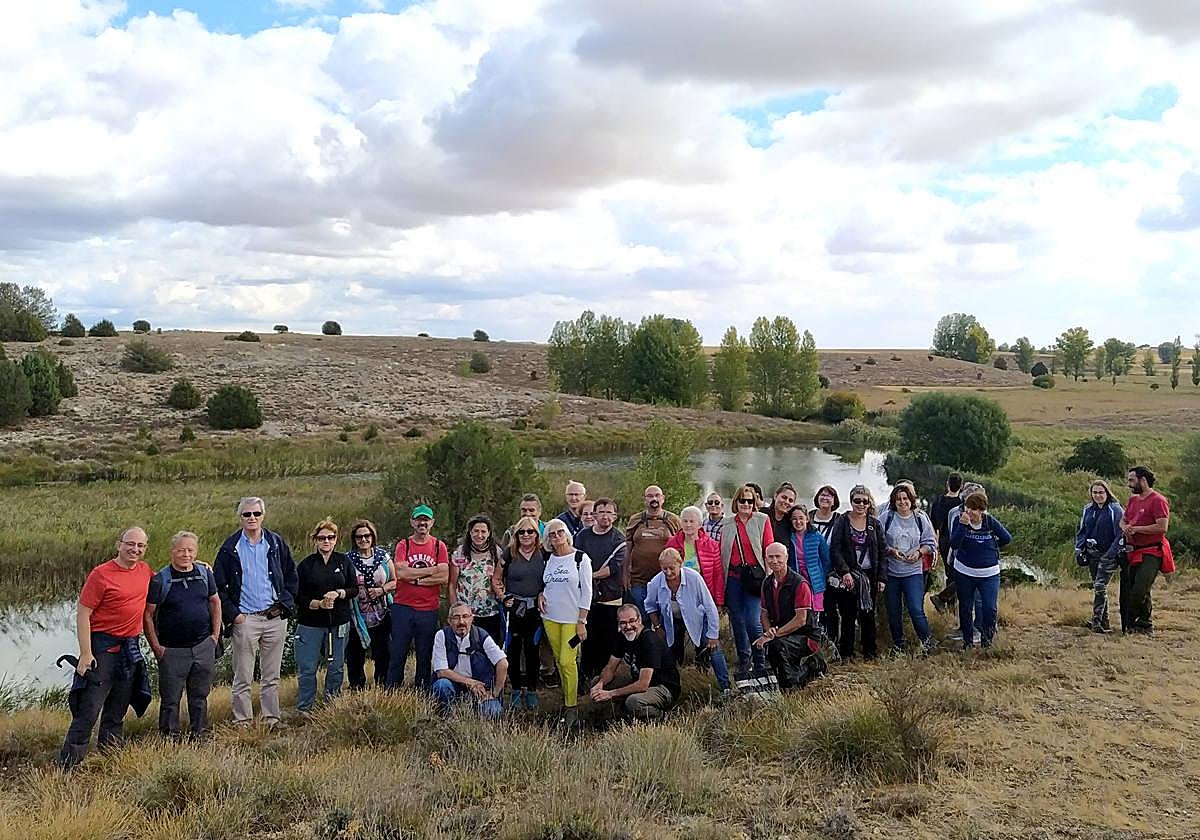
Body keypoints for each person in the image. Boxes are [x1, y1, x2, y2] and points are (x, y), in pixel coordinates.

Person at [59, 527, 154, 767]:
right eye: (130, 544)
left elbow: (170, 577)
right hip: (103, 650)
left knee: (118, 709)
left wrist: (200, 565)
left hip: (130, 649)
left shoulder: (144, 571)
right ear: (118, 544)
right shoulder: (101, 574)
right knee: (89, 710)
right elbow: (83, 614)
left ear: (145, 549)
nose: (135, 549)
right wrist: (86, 653)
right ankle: (69, 765)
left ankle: (110, 758)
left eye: (140, 546)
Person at [214, 497, 298, 728]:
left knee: (271, 675)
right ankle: (243, 721)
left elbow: (292, 575)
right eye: (247, 514)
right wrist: (234, 615)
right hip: (245, 619)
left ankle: (272, 718)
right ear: (240, 517)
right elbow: (218, 586)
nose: (252, 518)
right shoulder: (230, 548)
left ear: (263, 516)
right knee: (243, 675)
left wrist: (285, 606)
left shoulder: (276, 543)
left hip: (274, 616)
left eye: (256, 514)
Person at [143, 531, 220, 739]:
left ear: (196, 552)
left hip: (203, 646)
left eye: (190, 550)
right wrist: (157, 648)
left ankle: (200, 733)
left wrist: (215, 635)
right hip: (172, 650)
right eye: (181, 550)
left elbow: (215, 601)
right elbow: (148, 615)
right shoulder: (161, 580)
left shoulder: (204, 574)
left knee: (200, 696)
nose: (186, 554)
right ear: (172, 552)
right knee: (170, 699)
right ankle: (169, 737)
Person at [644, 548, 731, 697]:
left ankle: (726, 686)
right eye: (664, 569)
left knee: (713, 647)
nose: (668, 572)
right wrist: (658, 626)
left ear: (681, 564)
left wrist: (713, 634)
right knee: (667, 651)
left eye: (672, 568)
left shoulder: (694, 578)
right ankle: (669, 687)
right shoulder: (656, 582)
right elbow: (650, 605)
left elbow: (710, 606)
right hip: (673, 619)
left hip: (698, 617)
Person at [295, 519, 357, 714]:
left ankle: (332, 706)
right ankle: (305, 708)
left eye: (330, 537)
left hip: (338, 621)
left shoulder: (343, 561)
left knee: (336, 666)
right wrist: (317, 604)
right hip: (310, 622)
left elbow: (354, 588)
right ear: (315, 540)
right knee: (307, 668)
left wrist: (339, 593)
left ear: (336, 539)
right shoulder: (306, 565)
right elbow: (297, 595)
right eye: (322, 538)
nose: (326, 541)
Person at [385, 504, 449, 689]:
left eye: (426, 520)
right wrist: (433, 570)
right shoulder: (403, 545)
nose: (422, 523)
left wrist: (416, 580)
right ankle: (392, 692)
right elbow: (401, 573)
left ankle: (422, 692)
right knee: (398, 653)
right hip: (403, 607)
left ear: (432, 522)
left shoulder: (439, 546)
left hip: (428, 609)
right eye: (419, 519)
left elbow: (444, 577)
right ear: (412, 522)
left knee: (424, 655)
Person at [540, 519, 592, 727]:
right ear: (548, 540)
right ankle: (565, 697)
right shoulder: (548, 559)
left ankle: (572, 707)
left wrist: (582, 620)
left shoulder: (580, 558)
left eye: (560, 532)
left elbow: (587, 591)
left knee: (566, 661)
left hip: (572, 620)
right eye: (552, 534)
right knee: (558, 659)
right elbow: (545, 584)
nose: (557, 537)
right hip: (550, 618)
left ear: (567, 533)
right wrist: (539, 595)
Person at [493, 515, 547, 709]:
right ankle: (516, 690)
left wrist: (543, 593)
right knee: (513, 651)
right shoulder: (509, 554)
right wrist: (502, 596)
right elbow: (496, 579)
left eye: (530, 531)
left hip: (535, 609)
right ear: (515, 534)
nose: (525, 535)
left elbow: (550, 580)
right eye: (521, 532)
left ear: (536, 534)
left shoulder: (544, 554)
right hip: (513, 609)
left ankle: (531, 690)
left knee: (532, 651)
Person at [589, 604, 680, 720]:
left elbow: (643, 684)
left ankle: (663, 717)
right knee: (596, 682)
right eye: (623, 623)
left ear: (640, 620)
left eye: (632, 621)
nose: (628, 626)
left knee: (633, 702)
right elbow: (610, 668)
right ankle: (618, 714)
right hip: (639, 681)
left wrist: (610, 694)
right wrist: (600, 684)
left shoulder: (649, 641)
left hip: (663, 687)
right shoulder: (622, 636)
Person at [720, 483, 774, 679]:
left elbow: (768, 549)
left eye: (750, 501)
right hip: (733, 579)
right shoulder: (727, 523)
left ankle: (760, 659)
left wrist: (769, 580)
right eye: (742, 500)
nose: (746, 504)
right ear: (736, 501)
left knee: (753, 621)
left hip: (754, 579)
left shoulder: (762, 520)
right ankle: (745, 660)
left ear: (754, 503)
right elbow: (720, 553)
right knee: (737, 621)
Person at [754, 543, 825, 690]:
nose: (774, 561)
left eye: (778, 556)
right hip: (782, 634)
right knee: (768, 646)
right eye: (770, 557)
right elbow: (764, 613)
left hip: (807, 636)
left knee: (777, 646)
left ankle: (794, 683)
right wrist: (769, 632)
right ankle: (789, 682)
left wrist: (774, 635)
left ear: (786, 557)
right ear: (766, 559)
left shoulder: (799, 584)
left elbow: (801, 620)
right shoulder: (766, 583)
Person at [828, 486, 887, 660]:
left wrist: (882, 577)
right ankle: (847, 653)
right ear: (851, 501)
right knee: (848, 615)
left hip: (870, 576)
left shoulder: (874, 524)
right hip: (849, 575)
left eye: (864, 501)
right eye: (857, 501)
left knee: (868, 614)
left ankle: (870, 651)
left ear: (869, 503)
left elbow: (882, 552)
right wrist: (845, 572)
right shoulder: (843, 521)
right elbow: (835, 549)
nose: (861, 504)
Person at [949, 491, 1013, 649]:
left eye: (974, 509)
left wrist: (991, 546)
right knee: (965, 607)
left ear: (982, 510)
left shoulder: (990, 522)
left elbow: (1007, 538)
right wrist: (963, 526)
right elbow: (954, 543)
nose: (970, 512)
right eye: (967, 507)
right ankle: (968, 641)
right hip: (964, 572)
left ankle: (987, 641)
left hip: (989, 573)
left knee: (989, 608)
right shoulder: (960, 520)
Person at [881, 484, 937, 652]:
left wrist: (920, 553)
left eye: (905, 498)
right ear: (893, 501)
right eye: (898, 499)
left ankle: (927, 643)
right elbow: (877, 542)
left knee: (915, 608)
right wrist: (891, 551)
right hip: (891, 572)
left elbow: (931, 542)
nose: (902, 502)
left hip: (913, 572)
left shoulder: (920, 518)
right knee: (893, 611)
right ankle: (899, 644)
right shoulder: (886, 518)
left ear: (911, 500)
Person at [575, 498, 626, 682]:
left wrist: (589, 576)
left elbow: (613, 568)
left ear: (615, 516)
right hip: (587, 599)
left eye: (609, 512)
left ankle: (604, 680)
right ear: (594, 514)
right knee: (588, 640)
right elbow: (576, 560)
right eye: (601, 512)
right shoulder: (582, 536)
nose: (605, 516)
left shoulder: (619, 539)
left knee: (608, 639)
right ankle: (585, 677)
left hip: (611, 597)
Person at [1120, 466, 1173, 635]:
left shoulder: (1158, 500)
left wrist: (1137, 529)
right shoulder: (1133, 500)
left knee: (1139, 589)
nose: (1129, 484)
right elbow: (1123, 519)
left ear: (1143, 480)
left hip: (1152, 551)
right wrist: (1126, 528)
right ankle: (1144, 625)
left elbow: (1162, 527)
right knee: (1138, 589)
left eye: (1131, 480)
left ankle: (1133, 622)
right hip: (1134, 549)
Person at [431, 604, 508, 719]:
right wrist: (470, 683)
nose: (461, 621)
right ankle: (447, 717)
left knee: (493, 711)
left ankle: (476, 715)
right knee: (442, 685)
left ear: (472, 619)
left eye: (465, 616)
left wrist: (494, 693)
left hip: (480, 689)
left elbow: (503, 663)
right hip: (454, 685)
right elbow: (441, 672)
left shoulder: (482, 636)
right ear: (449, 621)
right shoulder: (442, 635)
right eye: (456, 617)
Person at [345, 519, 394, 689]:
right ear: (354, 539)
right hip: (357, 617)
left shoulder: (383, 557)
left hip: (381, 614)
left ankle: (382, 688)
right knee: (355, 657)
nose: (363, 539)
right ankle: (357, 690)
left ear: (373, 537)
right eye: (359, 537)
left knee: (383, 655)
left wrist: (382, 590)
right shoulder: (348, 560)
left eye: (367, 535)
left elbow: (395, 581)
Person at [624, 485, 682, 617]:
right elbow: (628, 548)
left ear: (663, 499)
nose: (654, 499)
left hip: (665, 579)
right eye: (650, 496)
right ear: (644, 500)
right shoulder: (635, 520)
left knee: (664, 619)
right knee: (642, 618)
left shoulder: (673, 520)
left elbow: (681, 549)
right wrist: (625, 574)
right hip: (638, 580)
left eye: (657, 495)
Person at [1074, 480, 1124, 634]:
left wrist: (1110, 554)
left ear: (1107, 493)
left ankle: (1097, 621)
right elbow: (1082, 530)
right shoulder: (1087, 509)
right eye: (1094, 492)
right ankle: (1105, 621)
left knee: (1099, 586)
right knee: (1098, 587)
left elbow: (1120, 534)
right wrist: (1079, 549)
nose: (1097, 495)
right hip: (1092, 553)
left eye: (1101, 492)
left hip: (1109, 554)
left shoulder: (1115, 510)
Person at [449, 514, 505, 643]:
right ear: (470, 532)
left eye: (483, 531)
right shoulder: (460, 553)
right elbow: (452, 584)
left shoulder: (496, 553)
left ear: (489, 533)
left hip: (490, 612)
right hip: (466, 615)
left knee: (490, 651)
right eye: (476, 531)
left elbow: (501, 579)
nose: (479, 535)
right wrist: (454, 610)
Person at [665, 505, 724, 606]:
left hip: (703, 595)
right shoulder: (672, 543)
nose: (688, 525)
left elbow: (718, 575)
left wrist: (719, 602)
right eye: (685, 521)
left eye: (692, 521)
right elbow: (665, 569)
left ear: (700, 524)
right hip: (678, 595)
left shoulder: (712, 545)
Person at [785, 505, 831, 627]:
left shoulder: (816, 535)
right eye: (794, 519)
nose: (798, 522)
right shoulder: (789, 536)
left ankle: (816, 641)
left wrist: (821, 576)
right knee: (798, 612)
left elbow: (826, 559)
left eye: (801, 518)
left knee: (814, 616)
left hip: (814, 580)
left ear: (807, 518)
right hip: (796, 579)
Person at [929, 473, 964, 610]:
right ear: (961, 486)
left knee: (950, 573)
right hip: (958, 540)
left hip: (944, 541)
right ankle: (944, 598)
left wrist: (935, 545)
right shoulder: (961, 504)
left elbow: (934, 525)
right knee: (960, 574)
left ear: (947, 484)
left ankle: (950, 606)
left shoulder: (938, 501)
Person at [810, 485, 842, 638]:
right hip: (809, 570)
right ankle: (812, 638)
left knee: (829, 607)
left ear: (834, 500)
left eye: (829, 496)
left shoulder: (840, 520)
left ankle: (831, 640)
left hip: (830, 571)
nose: (825, 498)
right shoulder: (808, 517)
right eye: (822, 495)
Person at [761, 482, 798, 550]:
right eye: (784, 497)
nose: (786, 502)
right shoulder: (762, 514)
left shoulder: (791, 522)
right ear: (775, 496)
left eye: (790, 500)